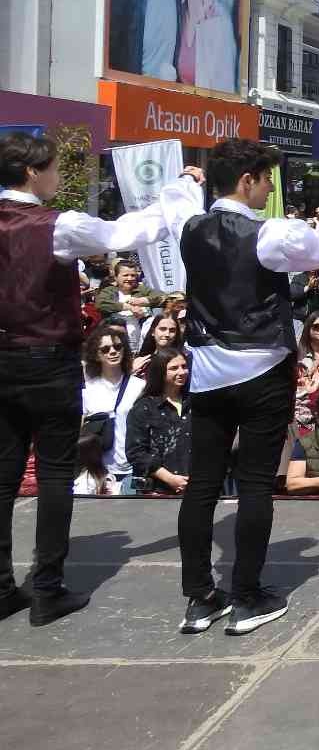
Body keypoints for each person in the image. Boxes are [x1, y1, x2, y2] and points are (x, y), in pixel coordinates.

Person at [161, 138, 319, 637]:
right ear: (247, 181)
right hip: (260, 371)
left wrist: (186, 180)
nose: (269, 188)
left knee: (202, 484)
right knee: (253, 484)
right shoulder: (267, 235)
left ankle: (200, 597)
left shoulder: (189, 225)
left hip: (205, 370)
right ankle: (246, 595)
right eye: (266, 179)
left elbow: (176, 199)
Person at [1, 132, 195, 626]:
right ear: (32, 173)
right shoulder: (56, 225)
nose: (58, 177)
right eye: (52, 169)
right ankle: (46, 588)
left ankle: (2, 586)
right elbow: (124, 234)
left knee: (3, 475)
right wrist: (175, 191)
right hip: (46, 359)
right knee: (53, 473)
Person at [80, 324, 145, 495]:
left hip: (132, 469)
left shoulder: (139, 386)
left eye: (117, 346)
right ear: (96, 354)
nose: (113, 352)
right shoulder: (87, 389)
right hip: (98, 471)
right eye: (105, 349)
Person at [124, 347, 194, 496]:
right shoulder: (143, 408)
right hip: (155, 492)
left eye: (184, 366)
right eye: (174, 368)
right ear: (160, 372)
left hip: (194, 489)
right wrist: (170, 479)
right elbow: (136, 453)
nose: (181, 372)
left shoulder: (196, 403)